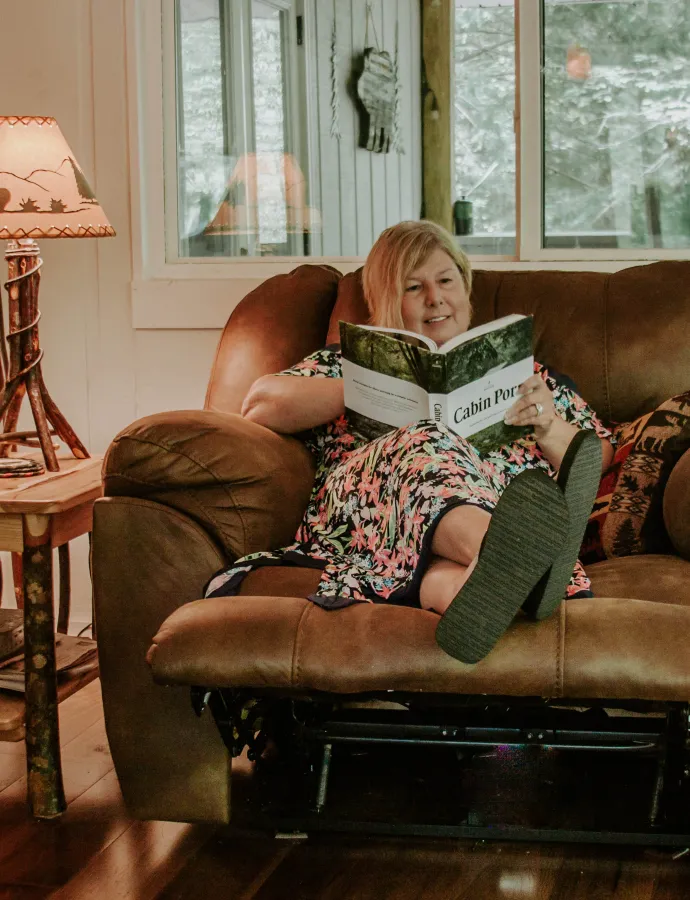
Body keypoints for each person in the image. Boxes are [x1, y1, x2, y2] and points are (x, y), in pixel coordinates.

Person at [205, 220, 615, 663]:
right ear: (384, 300)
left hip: (471, 514)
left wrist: (549, 426)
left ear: (466, 288)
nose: (435, 298)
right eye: (413, 287)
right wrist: (366, 384)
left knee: (446, 567)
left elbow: (599, 452)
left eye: (445, 281)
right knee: (427, 440)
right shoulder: (343, 363)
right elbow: (259, 405)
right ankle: (520, 558)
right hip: (373, 506)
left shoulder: (523, 375)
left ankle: (469, 593)